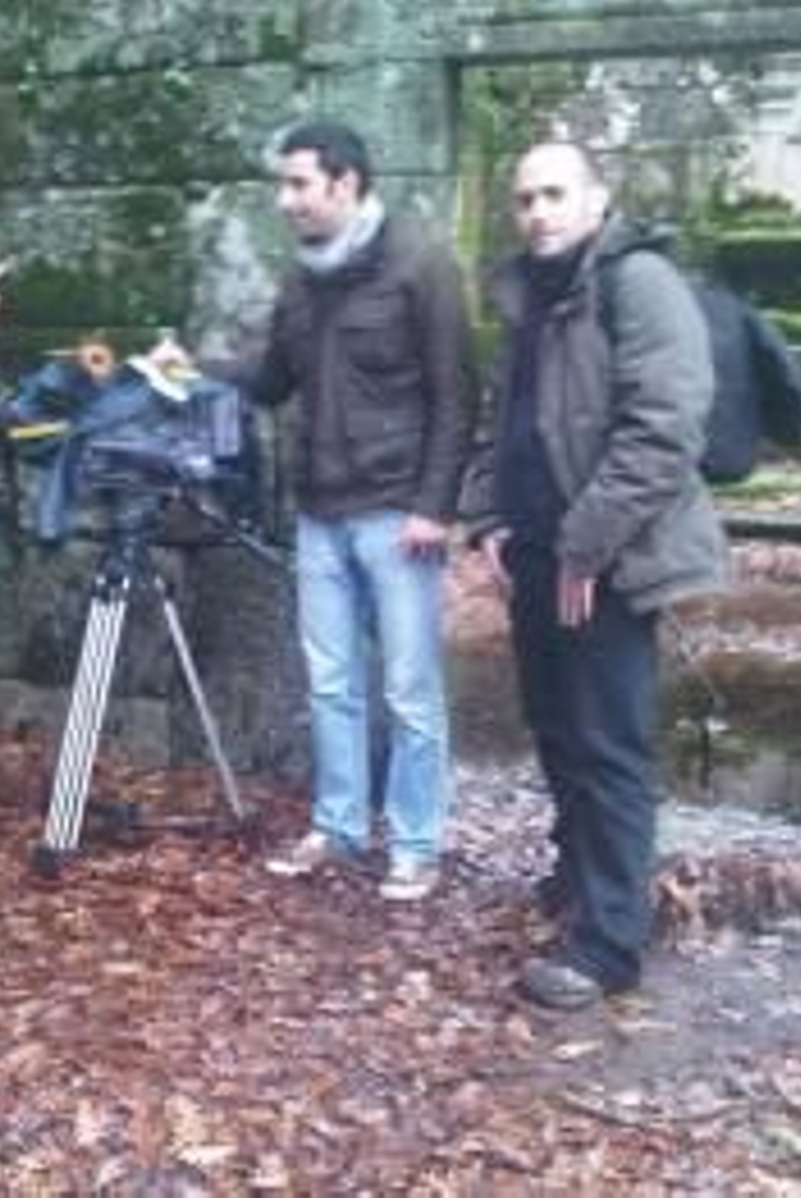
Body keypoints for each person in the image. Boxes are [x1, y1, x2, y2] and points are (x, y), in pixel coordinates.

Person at [463, 141, 729, 1009]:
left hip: (611, 556)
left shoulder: (639, 282)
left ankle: (611, 942)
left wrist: (586, 542)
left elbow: (665, 427)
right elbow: (503, 420)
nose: (537, 211)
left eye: (554, 194)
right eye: (525, 198)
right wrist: (490, 519)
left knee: (610, 743)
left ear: (596, 199)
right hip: (540, 549)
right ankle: (578, 873)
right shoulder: (530, 293)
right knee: (554, 725)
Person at [225, 120, 476, 901]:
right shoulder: (301, 280)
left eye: (298, 183)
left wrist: (436, 506)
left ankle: (414, 842)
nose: (285, 200)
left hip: (397, 513)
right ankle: (337, 828)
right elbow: (270, 380)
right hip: (320, 515)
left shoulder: (420, 263)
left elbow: (459, 394)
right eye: (284, 184)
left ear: (346, 183)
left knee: (408, 687)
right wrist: (189, 369)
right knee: (330, 683)